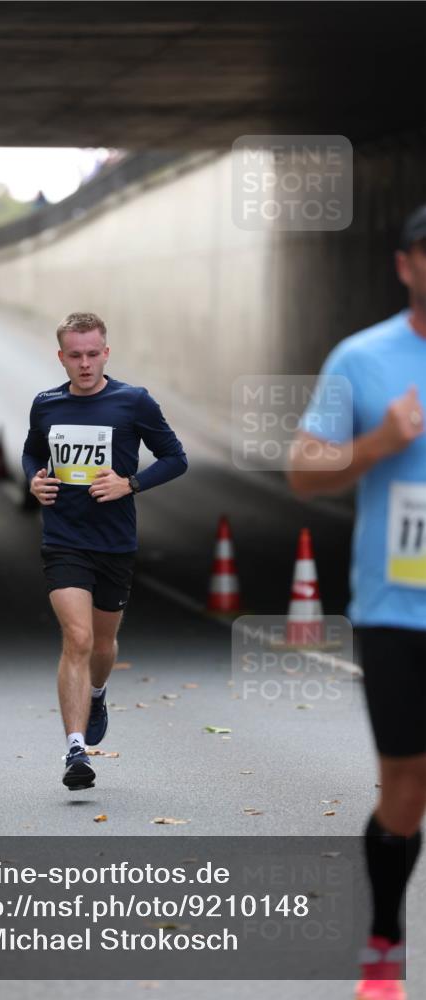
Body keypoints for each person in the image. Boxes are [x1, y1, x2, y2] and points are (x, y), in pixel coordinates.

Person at [288, 205, 426, 1000]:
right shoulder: (362, 358)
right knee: (405, 788)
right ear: (404, 265)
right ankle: (381, 945)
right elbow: (302, 473)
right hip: (396, 609)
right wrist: (380, 443)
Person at [22, 312, 188, 790]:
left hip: (114, 542)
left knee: (102, 643)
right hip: (63, 540)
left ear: (106, 353)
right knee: (77, 638)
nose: (85, 363)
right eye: (75, 355)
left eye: (93, 354)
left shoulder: (133, 402)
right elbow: (32, 451)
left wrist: (129, 483)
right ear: (61, 357)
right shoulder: (46, 404)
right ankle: (76, 750)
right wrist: (34, 479)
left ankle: (97, 693)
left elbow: (176, 458)